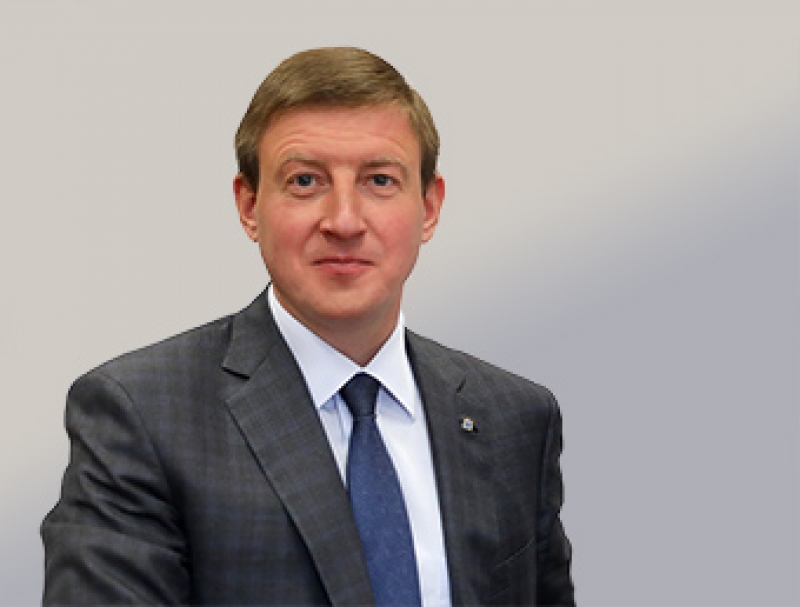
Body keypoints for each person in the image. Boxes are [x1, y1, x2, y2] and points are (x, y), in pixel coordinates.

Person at [41, 47, 575, 606]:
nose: (343, 221)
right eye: (305, 181)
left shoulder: (515, 418)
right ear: (249, 206)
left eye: (379, 180)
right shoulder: (142, 415)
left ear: (430, 207)